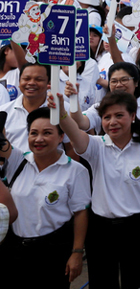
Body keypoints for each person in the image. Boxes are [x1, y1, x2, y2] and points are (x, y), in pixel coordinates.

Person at [56, 89, 140, 289]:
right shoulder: (96, 146)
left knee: (135, 281)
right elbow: (73, 133)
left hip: (137, 227)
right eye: (106, 117)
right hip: (100, 230)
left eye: (119, 115)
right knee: (102, 283)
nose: (112, 122)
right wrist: (61, 112)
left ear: (133, 116)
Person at [0, 107, 90, 288]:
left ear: (61, 136)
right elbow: (2, 143)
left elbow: (81, 213)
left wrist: (77, 252)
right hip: (14, 250)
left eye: (47, 133)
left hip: (53, 251)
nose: (39, 139)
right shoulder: (19, 160)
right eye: (33, 133)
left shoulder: (75, 171)